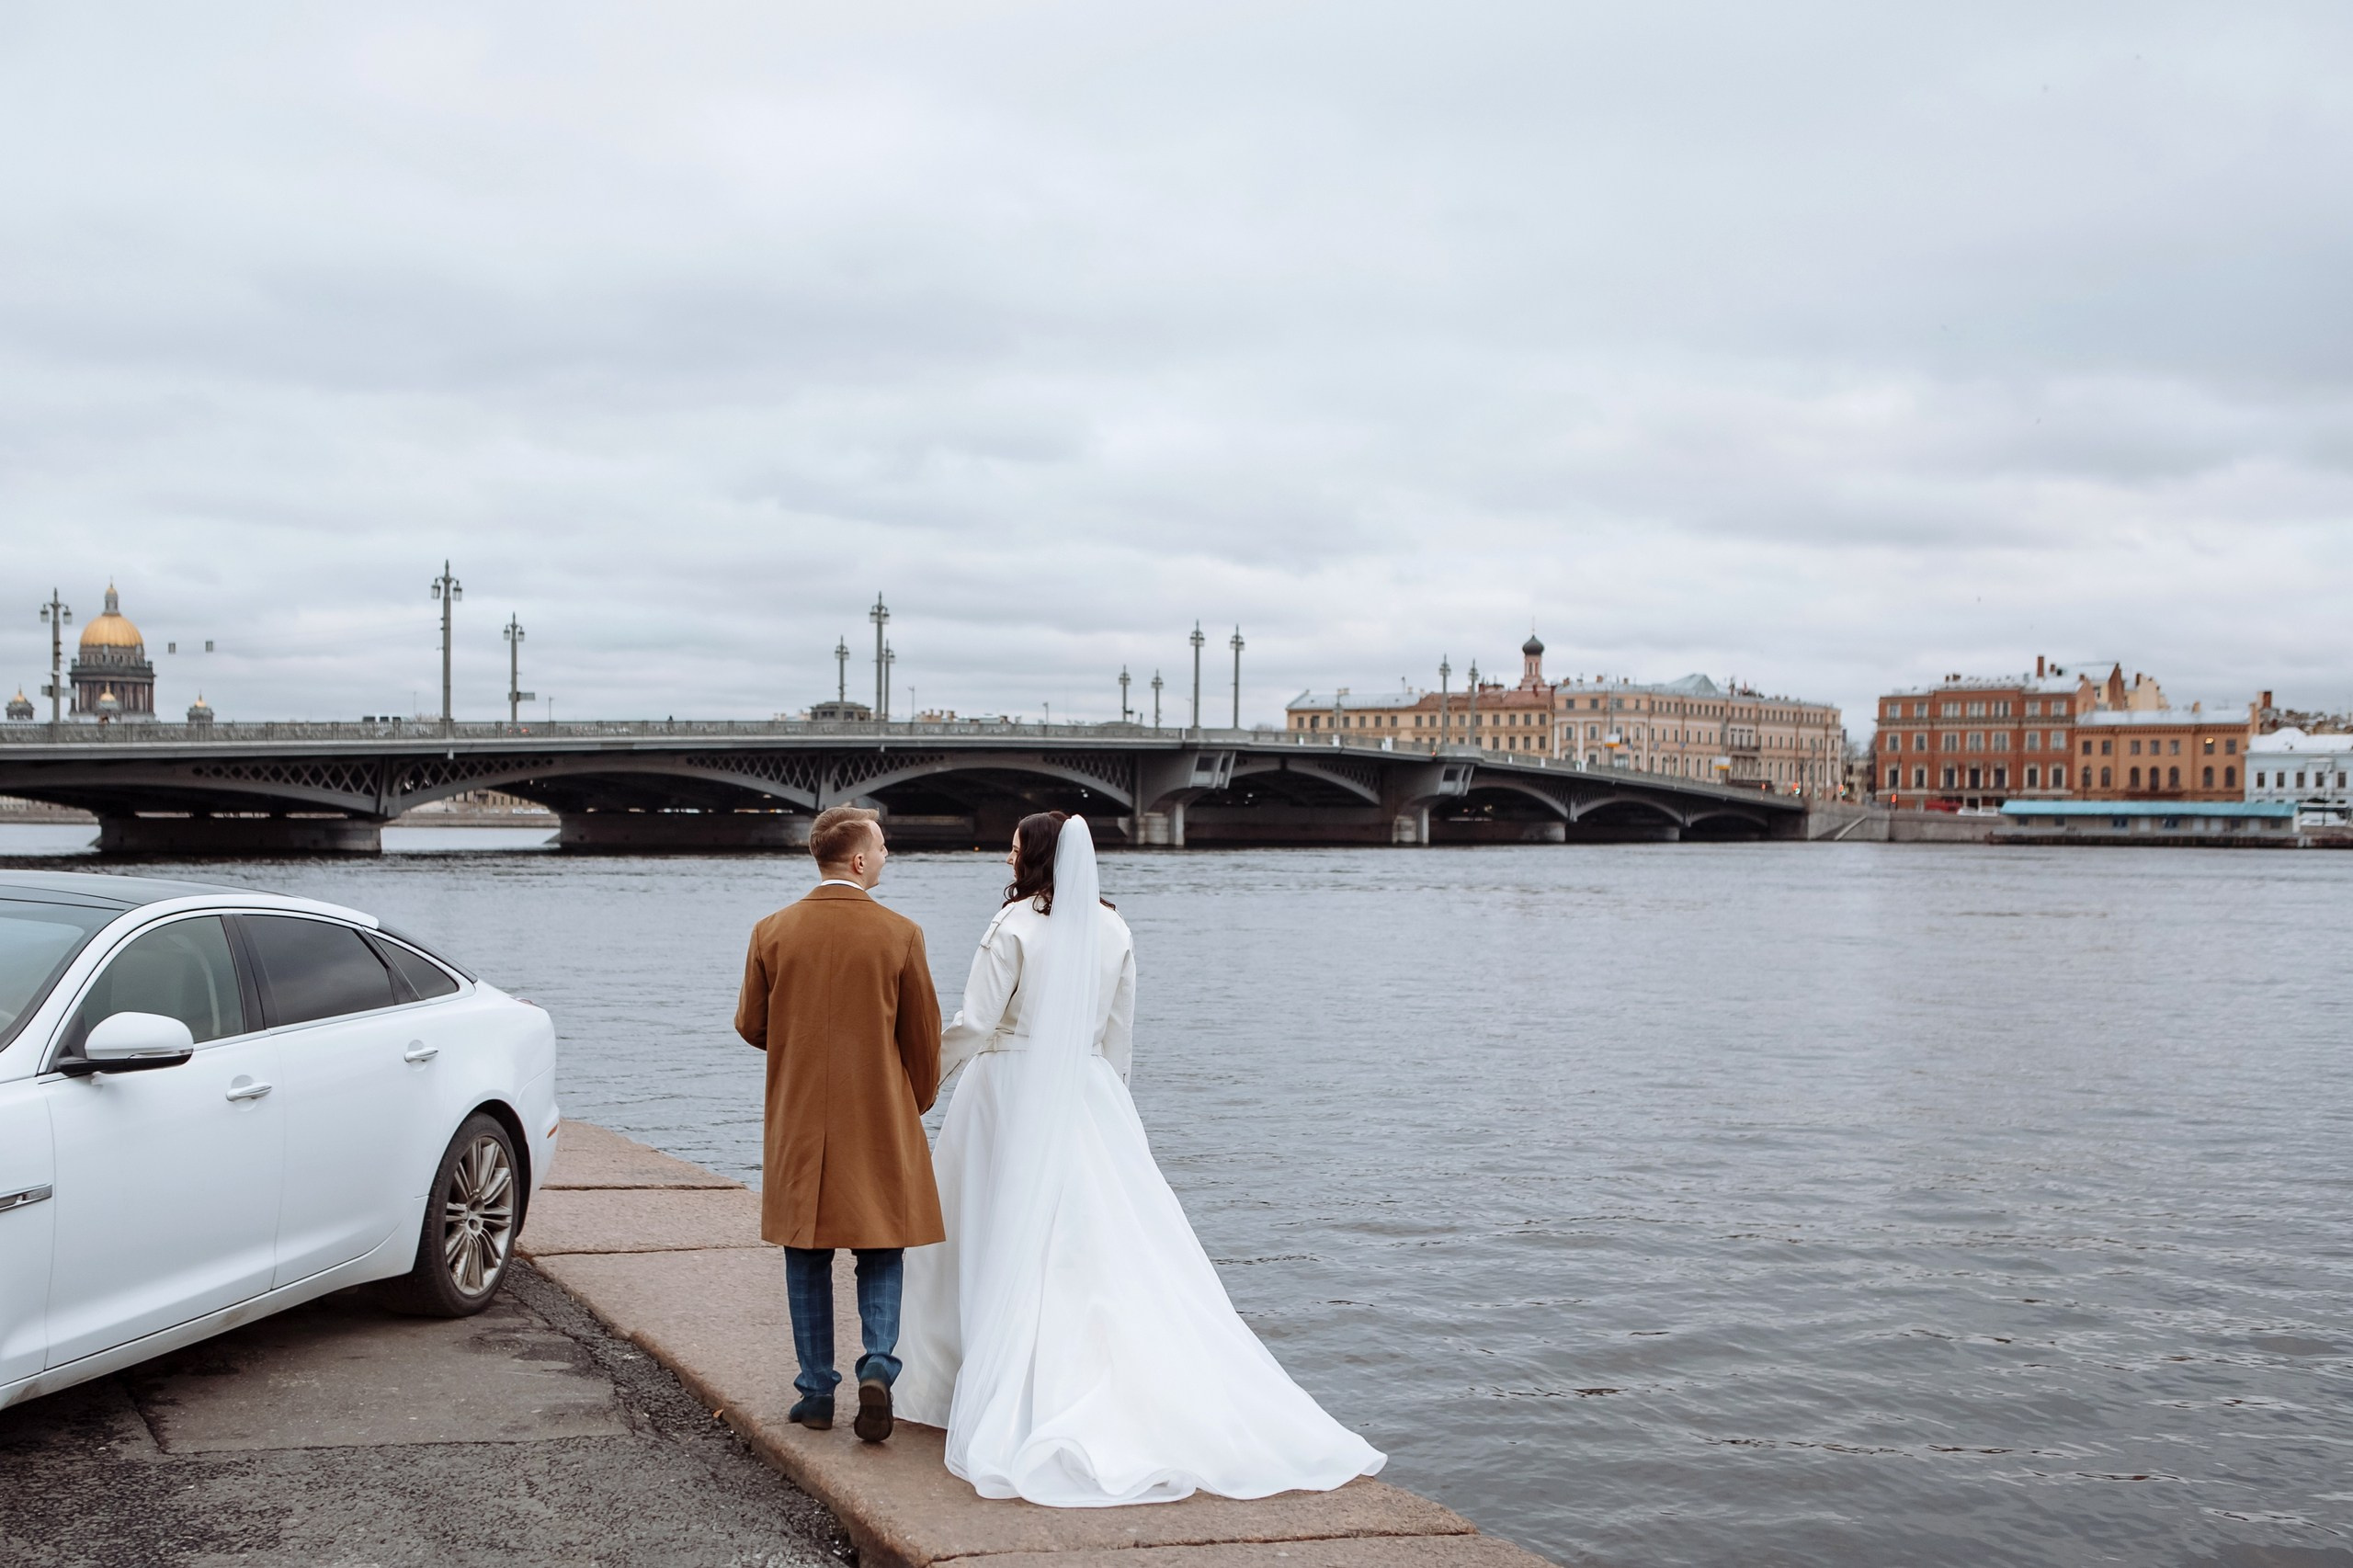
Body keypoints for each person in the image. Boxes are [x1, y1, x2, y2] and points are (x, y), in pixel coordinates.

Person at [895, 811, 1384, 1506]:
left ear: (1031, 857)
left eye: (1011, 849)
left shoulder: (1013, 928)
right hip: (1089, 1094)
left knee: (982, 1234)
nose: (1005, 859)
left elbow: (976, 1024)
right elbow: (1118, 1036)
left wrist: (924, 1081)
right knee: (1093, 1243)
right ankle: (1109, 1380)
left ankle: (959, 1386)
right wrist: (1111, 1106)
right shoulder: (1115, 929)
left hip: (1007, 1094)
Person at [734, 804, 943, 1443]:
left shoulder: (772, 931)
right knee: (881, 1249)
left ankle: (817, 1392)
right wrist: (917, 1101)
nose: (886, 857)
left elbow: (751, 1025)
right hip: (877, 1114)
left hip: (800, 1115)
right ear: (857, 860)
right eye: (881, 848)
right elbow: (924, 1040)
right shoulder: (900, 934)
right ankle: (877, 1367)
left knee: (807, 1252)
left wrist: (802, 1045)